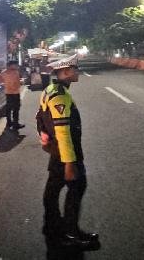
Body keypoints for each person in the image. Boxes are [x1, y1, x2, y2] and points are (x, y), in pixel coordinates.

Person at [36, 54, 99, 250]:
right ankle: (71, 234)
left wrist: (44, 137)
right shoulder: (60, 95)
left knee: (52, 190)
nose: (77, 72)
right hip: (66, 153)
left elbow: (39, 116)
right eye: (74, 69)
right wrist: (70, 163)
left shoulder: (50, 90)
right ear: (64, 72)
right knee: (76, 188)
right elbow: (63, 132)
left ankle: (52, 227)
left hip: (57, 151)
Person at [2, 60, 25, 130]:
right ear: (12, 65)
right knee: (16, 109)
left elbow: (3, 82)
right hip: (15, 93)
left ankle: (9, 123)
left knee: (8, 109)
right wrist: (21, 82)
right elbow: (17, 84)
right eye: (16, 65)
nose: (17, 66)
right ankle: (15, 124)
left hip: (7, 93)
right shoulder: (15, 72)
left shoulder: (3, 72)